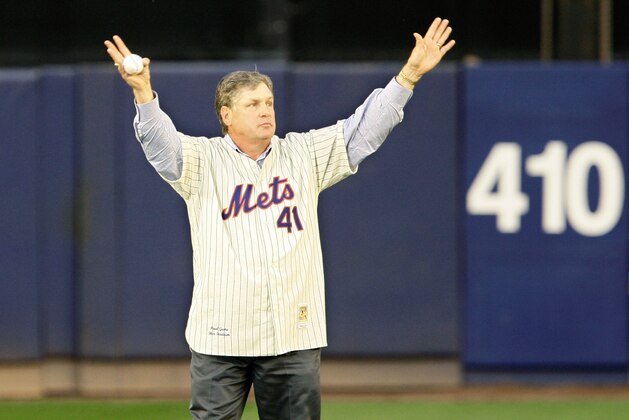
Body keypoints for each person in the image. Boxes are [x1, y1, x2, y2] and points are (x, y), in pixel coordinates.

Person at [105, 17, 454, 420]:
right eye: (252, 105)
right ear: (227, 115)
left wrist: (409, 76)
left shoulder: (302, 153)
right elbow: (160, 144)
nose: (265, 111)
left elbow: (362, 130)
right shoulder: (204, 160)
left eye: (268, 102)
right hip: (221, 336)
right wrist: (144, 94)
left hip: (292, 333)